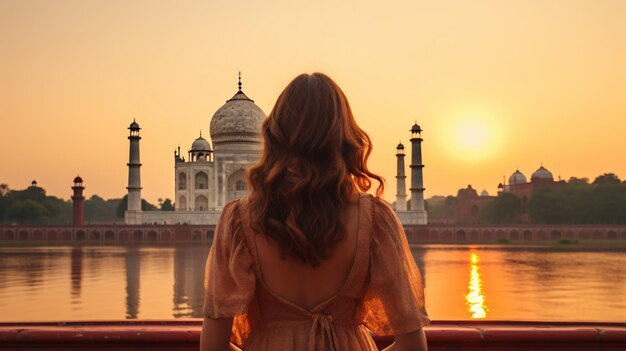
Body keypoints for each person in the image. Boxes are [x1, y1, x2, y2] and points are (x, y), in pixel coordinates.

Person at [200, 73, 430, 351]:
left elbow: (212, 346)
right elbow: (413, 346)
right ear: (345, 137)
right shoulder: (375, 220)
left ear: (273, 135)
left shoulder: (239, 221)